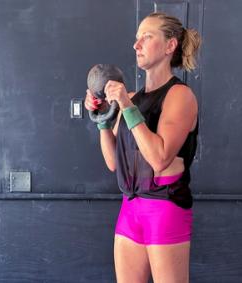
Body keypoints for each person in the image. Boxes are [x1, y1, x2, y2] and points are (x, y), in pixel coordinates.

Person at [85, 12, 201, 283]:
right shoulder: (134, 97)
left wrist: (126, 106)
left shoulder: (180, 96)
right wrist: (102, 119)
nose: (136, 45)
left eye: (146, 38)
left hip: (164, 206)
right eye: (137, 38)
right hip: (130, 207)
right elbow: (114, 161)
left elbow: (159, 158)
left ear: (170, 46)